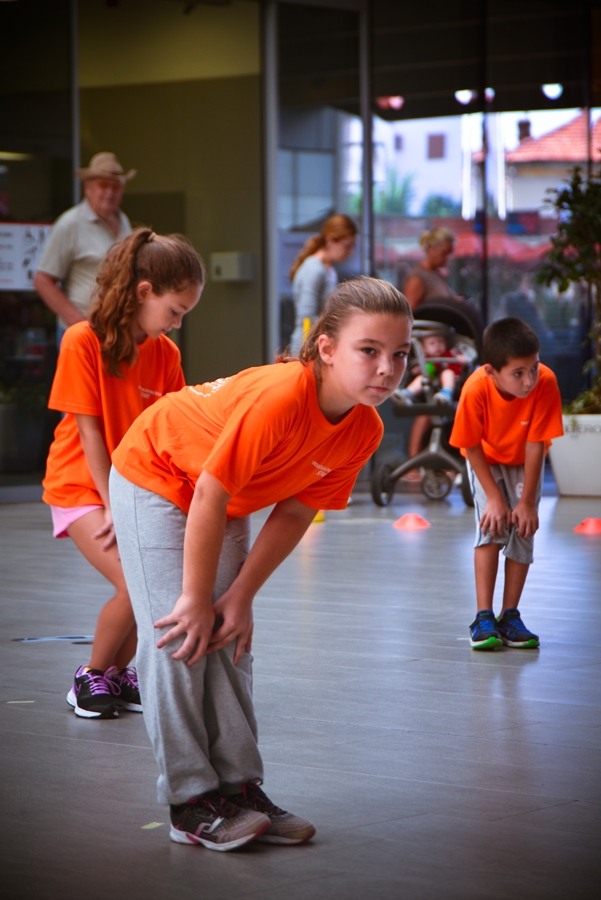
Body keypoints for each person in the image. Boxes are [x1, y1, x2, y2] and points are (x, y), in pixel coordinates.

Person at [108, 277, 412, 851]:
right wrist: (196, 596)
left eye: (399, 354)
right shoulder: (281, 399)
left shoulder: (363, 430)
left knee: (228, 634)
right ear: (326, 348)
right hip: (158, 472)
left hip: (220, 496)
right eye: (368, 351)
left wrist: (239, 597)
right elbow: (207, 497)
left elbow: (295, 514)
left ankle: (239, 788)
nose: (386, 368)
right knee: (179, 633)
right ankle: (189, 801)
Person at [42, 228, 204, 719]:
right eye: (174, 312)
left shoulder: (166, 355)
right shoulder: (82, 341)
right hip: (81, 485)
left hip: (131, 486)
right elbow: (90, 433)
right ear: (143, 292)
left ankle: (117, 676)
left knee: (153, 585)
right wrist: (113, 502)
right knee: (135, 586)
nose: (176, 325)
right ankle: (90, 676)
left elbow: (174, 430)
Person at [449, 318, 563, 650]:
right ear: (491, 371)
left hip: (525, 458)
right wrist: (496, 499)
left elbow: (535, 443)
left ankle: (509, 616)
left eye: (534, 366)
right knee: (491, 525)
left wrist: (526, 503)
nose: (529, 380)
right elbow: (470, 446)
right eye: (518, 373)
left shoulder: (546, 382)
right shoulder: (475, 389)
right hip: (485, 459)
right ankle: (483, 617)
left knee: (523, 528)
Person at [34, 152, 136, 335]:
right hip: (81, 332)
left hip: (117, 331)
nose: (110, 192)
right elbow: (43, 280)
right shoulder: (69, 224)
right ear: (88, 187)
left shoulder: (124, 221)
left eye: (116, 186)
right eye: (103, 185)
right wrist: (80, 324)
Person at [288, 214, 358, 353]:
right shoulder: (313, 269)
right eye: (347, 246)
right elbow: (306, 317)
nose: (350, 252)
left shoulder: (329, 269)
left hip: (320, 346)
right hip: (307, 348)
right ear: (330, 240)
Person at [396, 329, 468, 461]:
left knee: (448, 373)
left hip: (449, 389)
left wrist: (462, 360)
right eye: (432, 343)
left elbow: (465, 359)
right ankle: (407, 394)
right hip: (428, 390)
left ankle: (446, 392)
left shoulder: (451, 355)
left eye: (440, 342)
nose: (437, 346)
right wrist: (416, 369)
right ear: (423, 348)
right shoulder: (425, 360)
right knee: (423, 377)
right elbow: (414, 369)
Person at [403, 227, 459, 310]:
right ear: (430, 248)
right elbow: (409, 313)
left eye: (450, 254)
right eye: (444, 253)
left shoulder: (436, 273)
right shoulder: (417, 278)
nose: (448, 258)